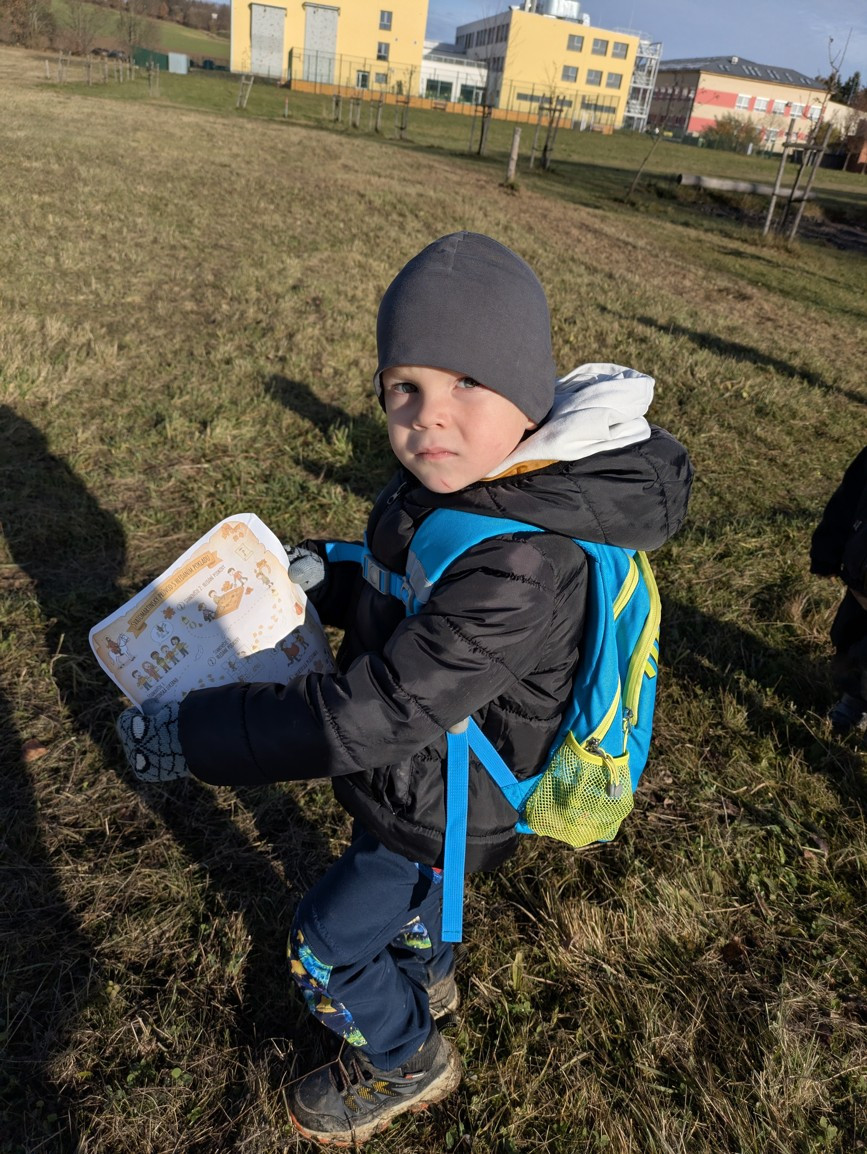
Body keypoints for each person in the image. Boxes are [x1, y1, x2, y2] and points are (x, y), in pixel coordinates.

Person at [116, 232, 693, 1145]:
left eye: (467, 382)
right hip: (432, 782)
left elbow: (374, 715)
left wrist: (198, 732)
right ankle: (426, 970)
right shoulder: (481, 489)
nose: (429, 417)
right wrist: (329, 572)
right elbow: (408, 583)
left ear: (529, 397)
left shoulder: (521, 565)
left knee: (323, 948)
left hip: (444, 797)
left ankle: (403, 1057)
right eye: (404, 388)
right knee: (413, 895)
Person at [809, 445, 867, 734]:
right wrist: (826, 554)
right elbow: (846, 503)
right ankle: (854, 699)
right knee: (848, 637)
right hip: (862, 584)